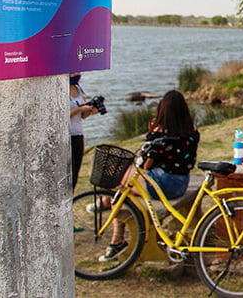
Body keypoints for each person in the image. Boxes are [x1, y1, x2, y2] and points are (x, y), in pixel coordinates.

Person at [98, 90, 199, 262]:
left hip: (162, 184)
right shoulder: (192, 131)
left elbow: (146, 165)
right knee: (125, 191)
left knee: (116, 171)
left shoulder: (160, 135)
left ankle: (106, 207)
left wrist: (151, 134)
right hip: (181, 183)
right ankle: (115, 235)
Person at [69, 72, 98, 191]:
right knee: (68, 174)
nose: (77, 74)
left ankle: (71, 201)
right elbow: (60, 116)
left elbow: (83, 116)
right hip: (66, 136)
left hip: (78, 134)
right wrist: (79, 109)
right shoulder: (59, 89)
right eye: (74, 72)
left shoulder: (79, 88)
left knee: (75, 174)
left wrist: (89, 110)